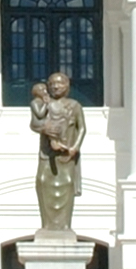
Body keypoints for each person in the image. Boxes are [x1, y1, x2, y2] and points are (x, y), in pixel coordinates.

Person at [31, 69, 84, 234]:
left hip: (66, 154)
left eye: (60, 83)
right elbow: (34, 124)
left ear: (67, 86)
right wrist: (44, 128)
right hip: (47, 152)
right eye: (52, 84)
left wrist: (75, 147)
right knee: (41, 181)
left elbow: (81, 128)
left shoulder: (74, 106)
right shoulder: (44, 104)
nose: (56, 87)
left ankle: (64, 225)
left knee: (67, 182)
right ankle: (47, 225)